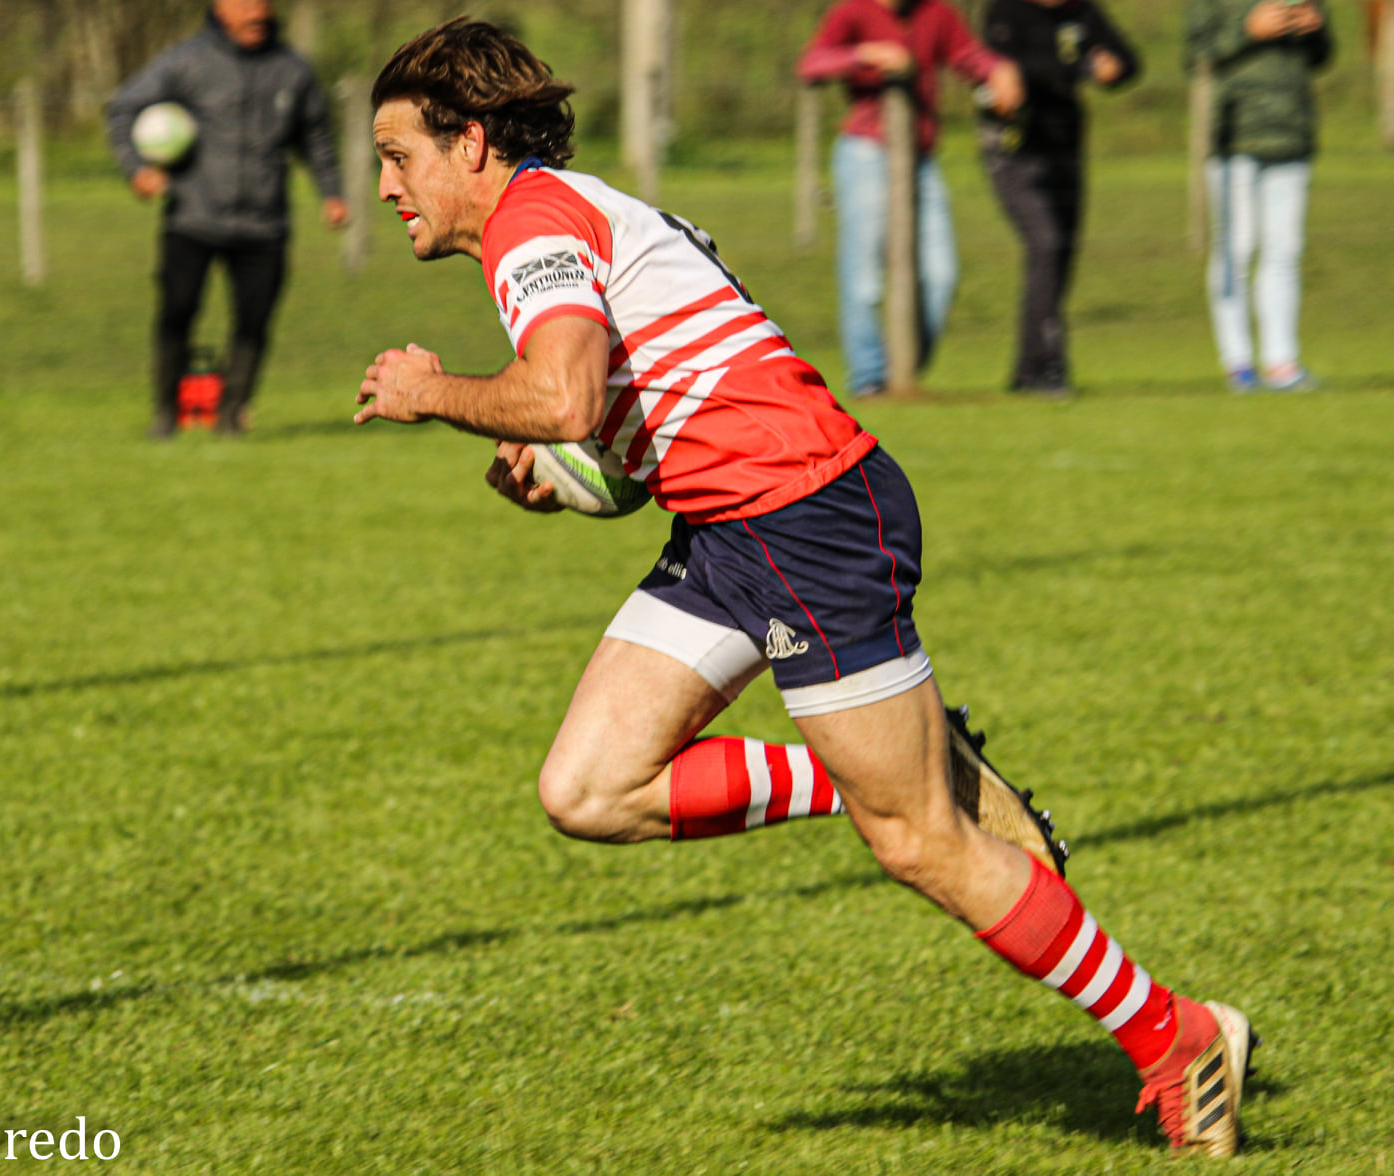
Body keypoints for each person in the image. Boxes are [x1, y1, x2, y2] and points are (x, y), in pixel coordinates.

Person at [356, 17, 1254, 1158]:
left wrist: (435, 393)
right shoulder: (560, 213)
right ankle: (884, 775)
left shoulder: (533, 219)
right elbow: (639, 409)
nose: (387, 186)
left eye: (398, 156)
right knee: (588, 788)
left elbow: (568, 400)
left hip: (805, 515)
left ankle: (1173, 1037)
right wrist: (568, 469)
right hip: (734, 525)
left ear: (469, 142)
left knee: (921, 845)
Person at [106, 0, 349, 438]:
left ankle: (232, 415)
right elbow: (123, 107)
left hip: (264, 224)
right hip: (192, 218)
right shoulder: (186, 61)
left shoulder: (293, 69)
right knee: (177, 312)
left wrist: (331, 193)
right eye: (244, 4)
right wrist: (136, 168)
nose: (256, 13)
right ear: (220, 8)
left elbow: (315, 137)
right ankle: (164, 413)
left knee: (254, 321)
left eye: (262, 4)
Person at [797, 0, 1023, 397]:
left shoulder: (935, 12)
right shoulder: (852, 10)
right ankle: (869, 377)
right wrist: (865, 54)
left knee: (941, 274)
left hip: (921, 159)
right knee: (864, 276)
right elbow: (812, 63)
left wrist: (998, 72)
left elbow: (967, 56)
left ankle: (904, 367)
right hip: (865, 151)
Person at [979, 0, 1139, 396]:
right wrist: (1082, 68)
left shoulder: (1081, 12)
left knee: (1060, 254)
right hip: (1015, 149)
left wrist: (1112, 69)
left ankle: (1029, 368)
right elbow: (1015, 66)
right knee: (1046, 244)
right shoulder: (1004, 12)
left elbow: (1129, 60)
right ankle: (1045, 368)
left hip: (1065, 149)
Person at [1187, 0, 1332, 392]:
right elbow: (1195, 54)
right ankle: (1239, 364)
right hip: (1233, 134)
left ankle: (1281, 362)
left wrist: (1315, 28)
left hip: (1292, 132)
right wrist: (1247, 31)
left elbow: (1321, 57)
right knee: (1236, 248)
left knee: (1285, 250)